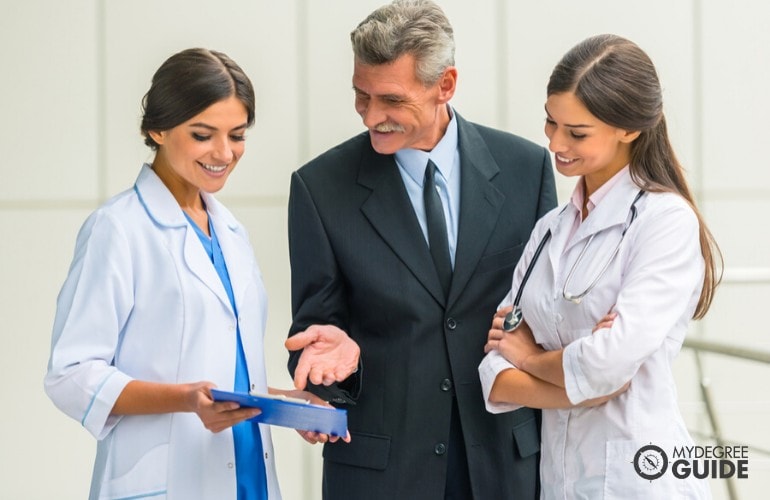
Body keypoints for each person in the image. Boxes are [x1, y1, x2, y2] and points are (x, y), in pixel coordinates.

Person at [283, 1, 557, 498]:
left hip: (503, 463)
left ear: (445, 85)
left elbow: (544, 310)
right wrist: (327, 376)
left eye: (390, 100)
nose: (371, 116)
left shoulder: (527, 170)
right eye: (361, 96)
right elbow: (316, 329)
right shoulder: (319, 188)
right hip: (382, 472)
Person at [44, 47, 332, 500]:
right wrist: (184, 400)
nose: (224, 152)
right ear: (157, 128)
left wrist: (286, 404)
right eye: (203, 134)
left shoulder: (231, 233)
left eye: (237, 135)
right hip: (167, 481)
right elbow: (71, 374)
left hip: (248, 476)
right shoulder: (118, 229)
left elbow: (225, 375)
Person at [479, 34, 722, 499]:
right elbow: (494, 366)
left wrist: (530, 358)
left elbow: (610, 361)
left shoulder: (664, 221)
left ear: (628, 129)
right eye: (551, 123)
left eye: (577, 132)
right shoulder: (550, 228)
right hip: (560, 480)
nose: (555, 143)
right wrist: (581, 380)